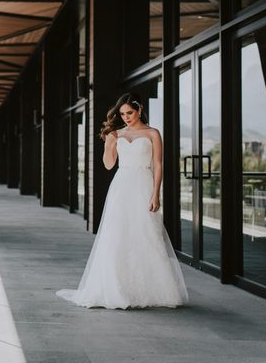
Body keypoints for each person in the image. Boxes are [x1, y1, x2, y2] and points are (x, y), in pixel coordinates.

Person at [56, 93, 188, 309]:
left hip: (144, 184)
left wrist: (156, 193)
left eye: (130, 113)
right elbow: (109, 165)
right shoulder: (116, 134)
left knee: (147, 233)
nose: (126, 117)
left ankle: (151, 290)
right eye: (122, 114)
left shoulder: (153, 133)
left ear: (140, 110)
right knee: (117, 233)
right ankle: (117, 287)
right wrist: (109, 144)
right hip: (122, 185)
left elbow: (158, 165)